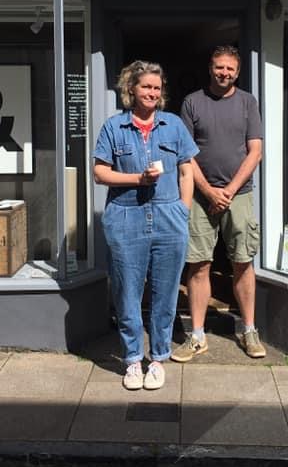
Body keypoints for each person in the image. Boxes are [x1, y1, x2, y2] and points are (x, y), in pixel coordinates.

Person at [93, 60, 197, 390]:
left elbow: (186, 170)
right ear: (131, 90)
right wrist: (137, 179)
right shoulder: (113, 127)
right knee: (127, 294)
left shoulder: (174, 125)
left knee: (165, 294)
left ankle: (159, 358)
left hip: (169, 216)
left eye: (156, 87)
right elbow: (100, 173)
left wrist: (183, 209)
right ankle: (133, 360)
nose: (152, 92)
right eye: (145, 87)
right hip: (126, 217)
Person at [173, 45, 265, 361]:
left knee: (243, 261)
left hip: (239, 195)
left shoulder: (247, 102)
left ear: (237, 72)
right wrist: (210, 191)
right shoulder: (192, 102)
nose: (224, 73)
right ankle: (197, 336)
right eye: (219, 67)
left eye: (230, 69)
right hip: (200, 196)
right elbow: (184, 153)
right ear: (210, 68)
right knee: (198, 264)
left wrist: (227, 191)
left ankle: (249, 330)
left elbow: (255, 152)